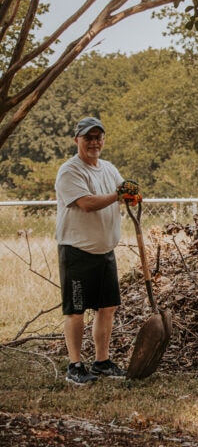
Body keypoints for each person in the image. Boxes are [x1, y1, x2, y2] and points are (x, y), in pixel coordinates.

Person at [55, 116, 141, 384]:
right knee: (76, 309)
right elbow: (88, 203)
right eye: (88, 138)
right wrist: (119, 195)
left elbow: (122, 191)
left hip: (105, 251)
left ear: (103, 140)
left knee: (107, 307)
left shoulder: (108, 168)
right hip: (77, 251)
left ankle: (101, 362)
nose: (94, 142)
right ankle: (75, 366)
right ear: (76, 141)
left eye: (97, 137)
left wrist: (131, 195)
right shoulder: (70, 171)